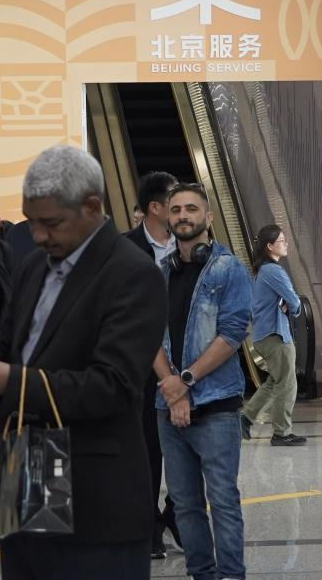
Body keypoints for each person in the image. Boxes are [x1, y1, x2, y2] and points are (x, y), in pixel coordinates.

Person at [0, 145, 168, 580]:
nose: (39, 236)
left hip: (93, 483)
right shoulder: (34, 267)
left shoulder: (132, 273)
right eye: (32, 222)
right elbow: (8, 346)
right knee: (27, 565)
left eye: (51, 223)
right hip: (24, 463)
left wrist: (9, 380)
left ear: (92, 207)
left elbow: (113, 386)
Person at [154, 183, 251, 580]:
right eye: (176, 209)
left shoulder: (229, 269)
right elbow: (149, 335)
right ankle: (201, 574)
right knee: (184, 503)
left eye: (191, 208)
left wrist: (185, 381)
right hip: (168, 406)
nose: (183, 215)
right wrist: (171, 387)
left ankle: (230, 575)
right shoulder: (160, 272)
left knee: (223, 500)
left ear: (208, 217)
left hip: (216, 405)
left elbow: (232, 334)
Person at [122, 170, 180, 559]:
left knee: (189, 449)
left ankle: (176, 514)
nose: (182, 210)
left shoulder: (191, 246)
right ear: (155, 207)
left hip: (187, 365)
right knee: (147, 451)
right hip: (141, 369)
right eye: (174, 201)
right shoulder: (125, 248)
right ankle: (149, 525)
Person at [240, 224, 305, 446]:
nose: (286, 244)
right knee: (287, 384)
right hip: (276, 335)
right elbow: (294, 301)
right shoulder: (273, 271)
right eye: (282, 241)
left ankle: (246, 417)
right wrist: (293, 307)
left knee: (276, 381)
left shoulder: (258, 271)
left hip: (261, 335)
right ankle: (281, 433)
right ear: (269, 246)